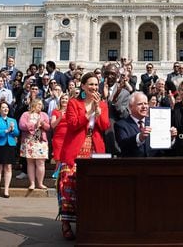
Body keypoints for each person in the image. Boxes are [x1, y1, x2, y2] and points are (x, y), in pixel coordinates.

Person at [57, 72, 110, 240]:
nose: (94, 87)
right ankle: (66, 222)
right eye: (91, 84)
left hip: (94, 148)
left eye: (96, 85)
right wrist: (89, 112)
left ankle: (88, 220)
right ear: (83, 86)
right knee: (68, 182)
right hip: (76, 148)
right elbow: (73, 125)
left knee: (92, 186)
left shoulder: (102, 103)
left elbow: (104, 126)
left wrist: (98, 111)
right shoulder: (74, 103)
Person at [115, 92, 177, 157]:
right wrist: (139, 138)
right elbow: (123, 145)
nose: (144, 106)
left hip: (154, 165)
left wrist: (170, 138)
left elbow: (162, 149)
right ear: (130, 107)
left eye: (146, 103)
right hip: (133, 165)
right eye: (140, 104)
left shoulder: (155, 122)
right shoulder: (121, 125)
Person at [19, 98, 51, 190]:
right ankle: (32, 183)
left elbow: (48, 127)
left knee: (41, 162)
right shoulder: (26, 114)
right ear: (33, 105)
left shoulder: (44, 115)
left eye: (41, 105)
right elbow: (21, 125)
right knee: (30, 162)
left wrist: (42, 124)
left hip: (41, 141)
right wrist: (34, 125)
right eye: (38, 104)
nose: (40, 106)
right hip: (29, 141)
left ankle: (40, 183)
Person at [0, 101, 20, 198]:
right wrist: (6, 130)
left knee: (8, 167)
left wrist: (12, 129)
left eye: (7, 107)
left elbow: (17, 133)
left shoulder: (13, 120)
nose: (5, 109)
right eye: (3, 107)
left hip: (10, 145)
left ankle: (6, 190)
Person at [50, 93, 69, 178]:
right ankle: (57, 174)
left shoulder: (72, 111)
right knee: (58, 157)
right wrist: (60, 117)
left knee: (67, 156)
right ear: (60, 100)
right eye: (62, 99)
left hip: (69, 137)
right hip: (58, 137)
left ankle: (66, 174)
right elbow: (53, 125)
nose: (64, 100)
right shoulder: (56, 111)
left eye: (66, 99)